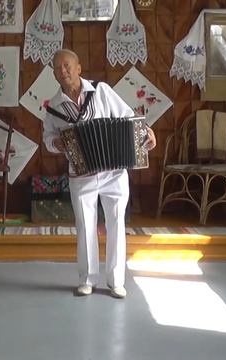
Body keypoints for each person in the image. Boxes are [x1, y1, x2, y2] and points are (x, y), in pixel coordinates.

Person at [43, 49, 156, 299]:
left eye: (67, 65)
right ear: (53, 74)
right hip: (80, 175)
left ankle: (116, 281)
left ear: (79, 68)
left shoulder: (101, 90)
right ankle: (87, 279)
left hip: (114, 171)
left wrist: (147, 132)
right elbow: (48, 138)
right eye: (58, 68)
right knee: (85, 226)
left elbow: (128, 117)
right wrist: (58, 144)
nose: (63, 71)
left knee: (116, 223)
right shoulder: (54, 108)